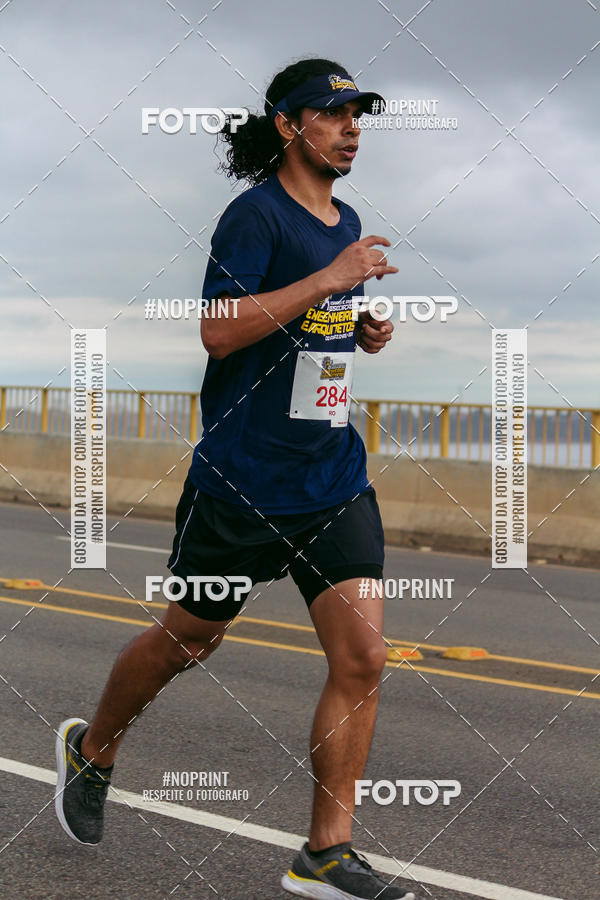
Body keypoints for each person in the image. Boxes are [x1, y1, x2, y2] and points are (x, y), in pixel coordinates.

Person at [55, 57, 416, 900]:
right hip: (245, 482)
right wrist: (329, 279)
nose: (353, 127)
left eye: (360, 115)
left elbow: (302, 316)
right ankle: (93, 746)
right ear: (291, 126)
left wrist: (353, 324)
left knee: (363, 656)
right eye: (335, 115)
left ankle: (326, 853)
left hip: (330, 475)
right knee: (190, 638)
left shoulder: (346, 215)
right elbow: (220, 330)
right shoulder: (252, 216)